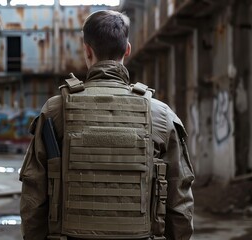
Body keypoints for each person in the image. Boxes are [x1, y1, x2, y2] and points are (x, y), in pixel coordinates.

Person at [20, 10, 194, 240]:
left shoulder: (55, 110)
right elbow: (179, 200)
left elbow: (34, 193)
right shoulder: (161, 114)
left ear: (87, 50)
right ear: (128, 49)